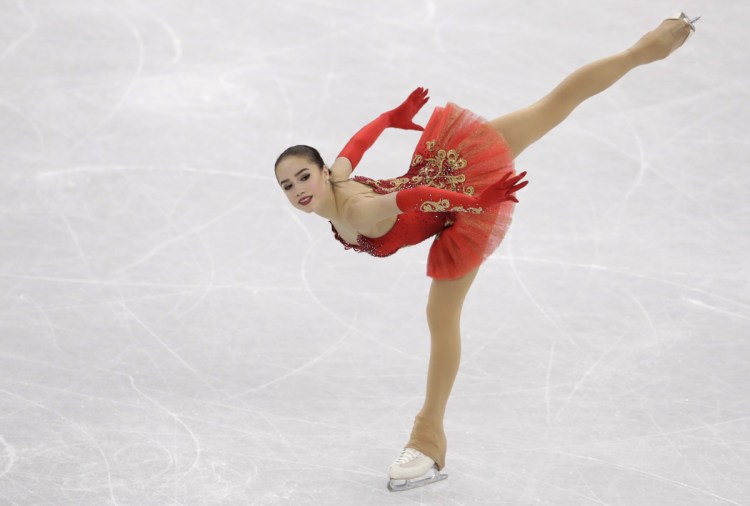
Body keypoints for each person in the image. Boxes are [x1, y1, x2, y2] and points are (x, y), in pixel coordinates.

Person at [274, 13, 699, 491]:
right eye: (287, 185)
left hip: (458, 200)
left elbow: (412, 199)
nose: (297, 190)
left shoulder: (356, 212)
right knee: (553, 106)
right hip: (446, 179)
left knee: (441, 315)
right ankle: (645, 50)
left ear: (322, 173)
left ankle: (428, 436)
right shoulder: (339, 177)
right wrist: (392, 119)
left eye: (303, 177)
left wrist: (476, 201)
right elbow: (357, 143)